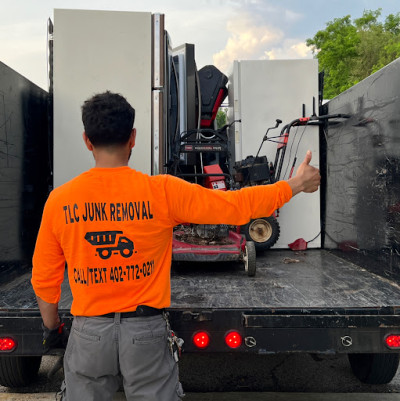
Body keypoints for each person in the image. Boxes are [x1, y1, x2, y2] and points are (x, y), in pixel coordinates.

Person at [31, 91, 320, 401]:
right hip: (146, 332)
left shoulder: (60, 201)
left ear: (87, 140)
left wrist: (53, 328)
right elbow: (234, 206)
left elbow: (45, 279)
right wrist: (293, 185)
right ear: (133, 138)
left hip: (88, 333)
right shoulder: (162, 192)